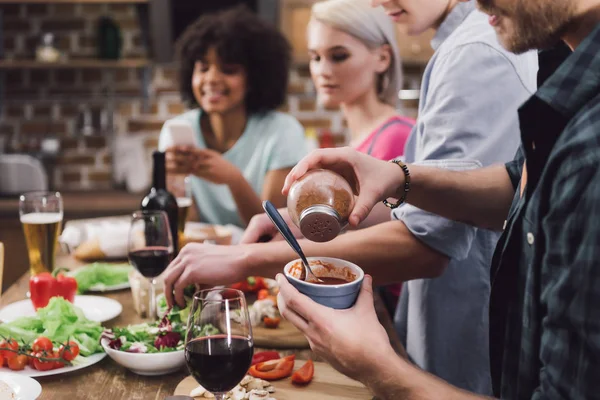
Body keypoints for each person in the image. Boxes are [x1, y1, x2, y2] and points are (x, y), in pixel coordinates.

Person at [162, 0, 538, 394]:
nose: (377, 1)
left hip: (469, 332)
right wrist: (381, 188)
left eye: (337, 55)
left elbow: (429, 243)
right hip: (440, 327)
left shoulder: (472, 54)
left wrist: (246, 259)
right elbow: (489, 194)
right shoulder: (459, 48)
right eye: (315, 57)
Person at [275, 0, 600, 396]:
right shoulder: (572, 84)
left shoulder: (590, 147)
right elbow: (521, 185)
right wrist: (398, 177)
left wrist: (379, 369)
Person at [307, 0, 414, 314]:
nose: (322, 70)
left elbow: (399, 248)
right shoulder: (359, 140)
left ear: (382, 57)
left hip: (391, 315)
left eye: (338, 56)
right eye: (315, 57)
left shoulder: (396, 135)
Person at [158, 6, 307, 228]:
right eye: (203, 68)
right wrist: (171, 180)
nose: (211, 79)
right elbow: (187, 227)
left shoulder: (282, 131)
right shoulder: (177, 130)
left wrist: (233, 180)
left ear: (255, 77)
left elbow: (273, 230)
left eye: (228, 70)